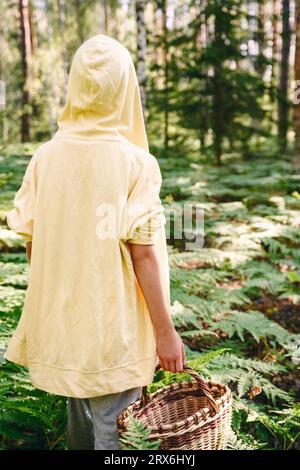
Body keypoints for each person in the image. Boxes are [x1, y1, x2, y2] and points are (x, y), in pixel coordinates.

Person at [4, 34, 185, 450]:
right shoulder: (136, 162)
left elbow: (35, 247)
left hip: (63, 325)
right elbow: (145, 255)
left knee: (82, 428)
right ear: (125, 89)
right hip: (114, 329)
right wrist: (165, 333)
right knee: (117, 434)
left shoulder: (45, 158)